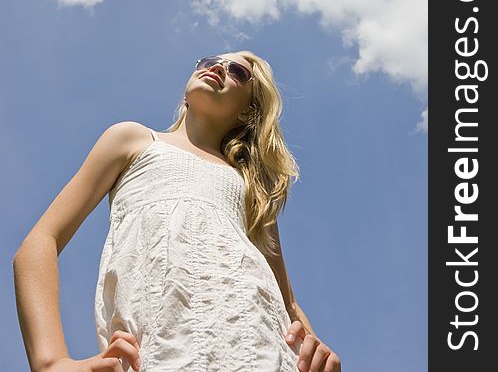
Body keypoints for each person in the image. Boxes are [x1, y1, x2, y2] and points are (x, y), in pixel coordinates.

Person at [13, 51, 341, 372]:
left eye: (238, 72)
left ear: (249, 112)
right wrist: (51, 361)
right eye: (211, 61)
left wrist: (315, 348)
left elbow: (287, 303)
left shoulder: (249, 188)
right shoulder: (134, 140)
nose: (220, 68)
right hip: (165, 351)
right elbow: (41, 240)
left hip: (259, 352)